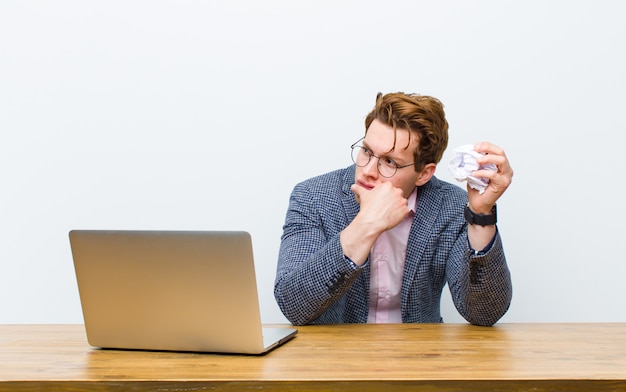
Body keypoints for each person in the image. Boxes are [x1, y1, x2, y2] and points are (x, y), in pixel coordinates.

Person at [274, 92, 513, 326]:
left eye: (389, 162)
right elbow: (294, 304)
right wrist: (366, 223)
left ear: (424, 174)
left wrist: (481, 214)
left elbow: (485, 314)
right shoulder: (313, 197)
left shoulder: (451, 207)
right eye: (366, 151)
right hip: (334, 358)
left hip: (419, 357)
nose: (368, 170)